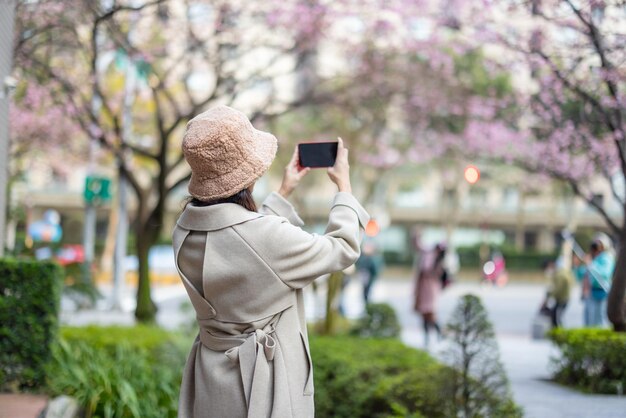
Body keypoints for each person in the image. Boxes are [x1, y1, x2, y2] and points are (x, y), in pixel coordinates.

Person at [173, 105, 369, 418]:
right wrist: (344, 189)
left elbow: (246, 246)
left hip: (212, 383)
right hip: (262, 389)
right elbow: (343, 247)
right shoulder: (265, 237)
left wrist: (283, 193)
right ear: (249, 175)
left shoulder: (184, 229)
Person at [576, 233, 615, 327]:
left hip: (602, 293)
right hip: (591, 293)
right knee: (589, 320)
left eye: (599, 244)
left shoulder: (607, 257)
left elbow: (605, 274)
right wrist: (578, 266)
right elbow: (582, 275)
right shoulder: (593, 258)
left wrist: (591, 265)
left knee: (600, 320)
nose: (596, 247)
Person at [413, 242, 446, 346]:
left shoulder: (434, 260)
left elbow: (425, 269)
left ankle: (436, 333)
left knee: (429, 314)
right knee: (426, 314)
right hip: (427, 289)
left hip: (428, 290)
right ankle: (430, 336)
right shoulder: (437, 260)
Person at [541, 258, 574, 328]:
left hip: (563, 299)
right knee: (555, 316)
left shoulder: (559, 274)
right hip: (561, 298)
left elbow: (557, 289)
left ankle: (560, 333)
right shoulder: (559, 272)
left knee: (557, 318)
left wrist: (548, 296)